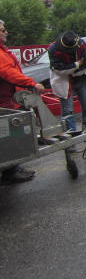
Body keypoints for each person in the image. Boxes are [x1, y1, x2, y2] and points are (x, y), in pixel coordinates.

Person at [0, 19, 45, 184]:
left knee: (10, 134)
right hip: (3, 103)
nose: (6, 32)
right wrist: (31, 83)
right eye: (2, 30)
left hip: (7, 100)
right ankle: (9, 171)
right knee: (8, 135)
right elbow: (7, 72)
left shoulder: (3, 51)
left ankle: (13, 167)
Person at [49, 30, 86, 132]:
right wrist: (76, 64)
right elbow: (58, 69)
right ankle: (70, 138)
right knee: (67, 112)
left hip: (81, 79)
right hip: (63, 81)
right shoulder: (53, 49)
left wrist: (70, 69)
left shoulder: (82, 44)